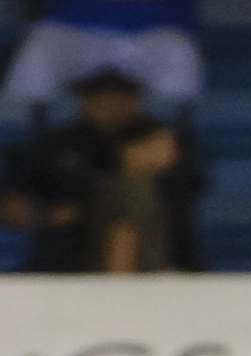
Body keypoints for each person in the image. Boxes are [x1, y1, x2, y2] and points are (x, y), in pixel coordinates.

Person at [0, 69, 200, 272]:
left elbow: (189, 188)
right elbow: (13, 206)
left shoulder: (165, 140)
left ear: (136, 99)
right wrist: (45, 215)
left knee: (134, 191)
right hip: (66, 257)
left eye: (122, 96)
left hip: (153, 259)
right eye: (103, 97)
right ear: (85, 100)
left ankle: (120, 280)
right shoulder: (55, 144)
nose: (112, 104)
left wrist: (147, 166)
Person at [1, 0, 202, 103]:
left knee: (179, 50)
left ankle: (171, 140)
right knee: (38, 50)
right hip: (72, 28)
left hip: (149, 32)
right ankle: (26, 137)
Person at [90, 118, 181, 272]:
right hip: (132, 284)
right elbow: (123, 236)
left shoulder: (139, 186)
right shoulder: (133, 189)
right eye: (162, 146)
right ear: (131, 149)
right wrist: (123, 286)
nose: (172, 154)